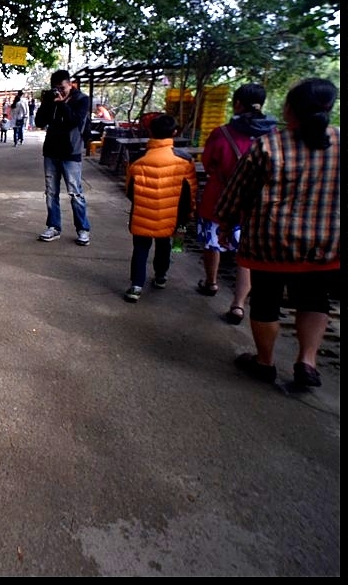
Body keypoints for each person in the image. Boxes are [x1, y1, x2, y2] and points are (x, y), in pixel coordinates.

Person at [214, 78, 340, 390]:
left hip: (271, 242)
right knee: (314, 300)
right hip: (325, 243)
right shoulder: (339, 142)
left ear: (288, 109)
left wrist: (226, 223)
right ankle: (306, 361)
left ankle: (265, 361)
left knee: (266, 301)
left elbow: (237, 192)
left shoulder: (270, 145)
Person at [195, 83, 278, 324]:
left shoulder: (222, 133)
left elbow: (208, 163)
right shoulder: (272, 136)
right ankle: (238, 305)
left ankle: (211, 283)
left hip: (218, 199)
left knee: (213, 243)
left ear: (237, 104)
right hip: (253, 204)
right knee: (246, 253)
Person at [122, 114, 197, 303]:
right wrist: (188, 213)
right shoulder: (185, 160)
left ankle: (136, 286)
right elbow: (190, 192)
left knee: (140, 248)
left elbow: (129, 190)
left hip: (142, 212)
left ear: (150, 132)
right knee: (165, 245)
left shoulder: (137, 159)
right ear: (174, 132)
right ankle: (161, 276)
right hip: (171, 215)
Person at [34, 69, 92, 245]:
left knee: (75, 193)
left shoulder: (82, 100)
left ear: (70, 83)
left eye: (62, 87)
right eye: (56, 87)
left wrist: (62, 104)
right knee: (51, 192)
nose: (59, 90)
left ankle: (83, 229)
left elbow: (74, 121)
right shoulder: (52, 99)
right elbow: (39, 122)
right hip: (51, 151)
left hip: (71, 152)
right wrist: (46, 103)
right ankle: (53, 227)